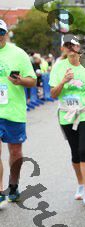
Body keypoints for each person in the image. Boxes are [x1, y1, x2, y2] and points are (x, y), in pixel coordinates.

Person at [49, 34, 85, 207]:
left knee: (83, 149)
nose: (71, 48)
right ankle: (80, 184)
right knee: (75, 152)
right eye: (67, 45)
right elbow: (53, 94)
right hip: (67, 113)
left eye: (73, 45)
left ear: (78, 47)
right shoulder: (58, 67)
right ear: (63, 48)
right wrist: (63, 81)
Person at [0, 19, 37, 208]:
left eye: (0, 33)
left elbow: (33, 80)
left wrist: (21, 81)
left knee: (15, 151)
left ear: (6, 34)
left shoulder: (18, 53)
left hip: (13, 111)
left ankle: (13, 186)